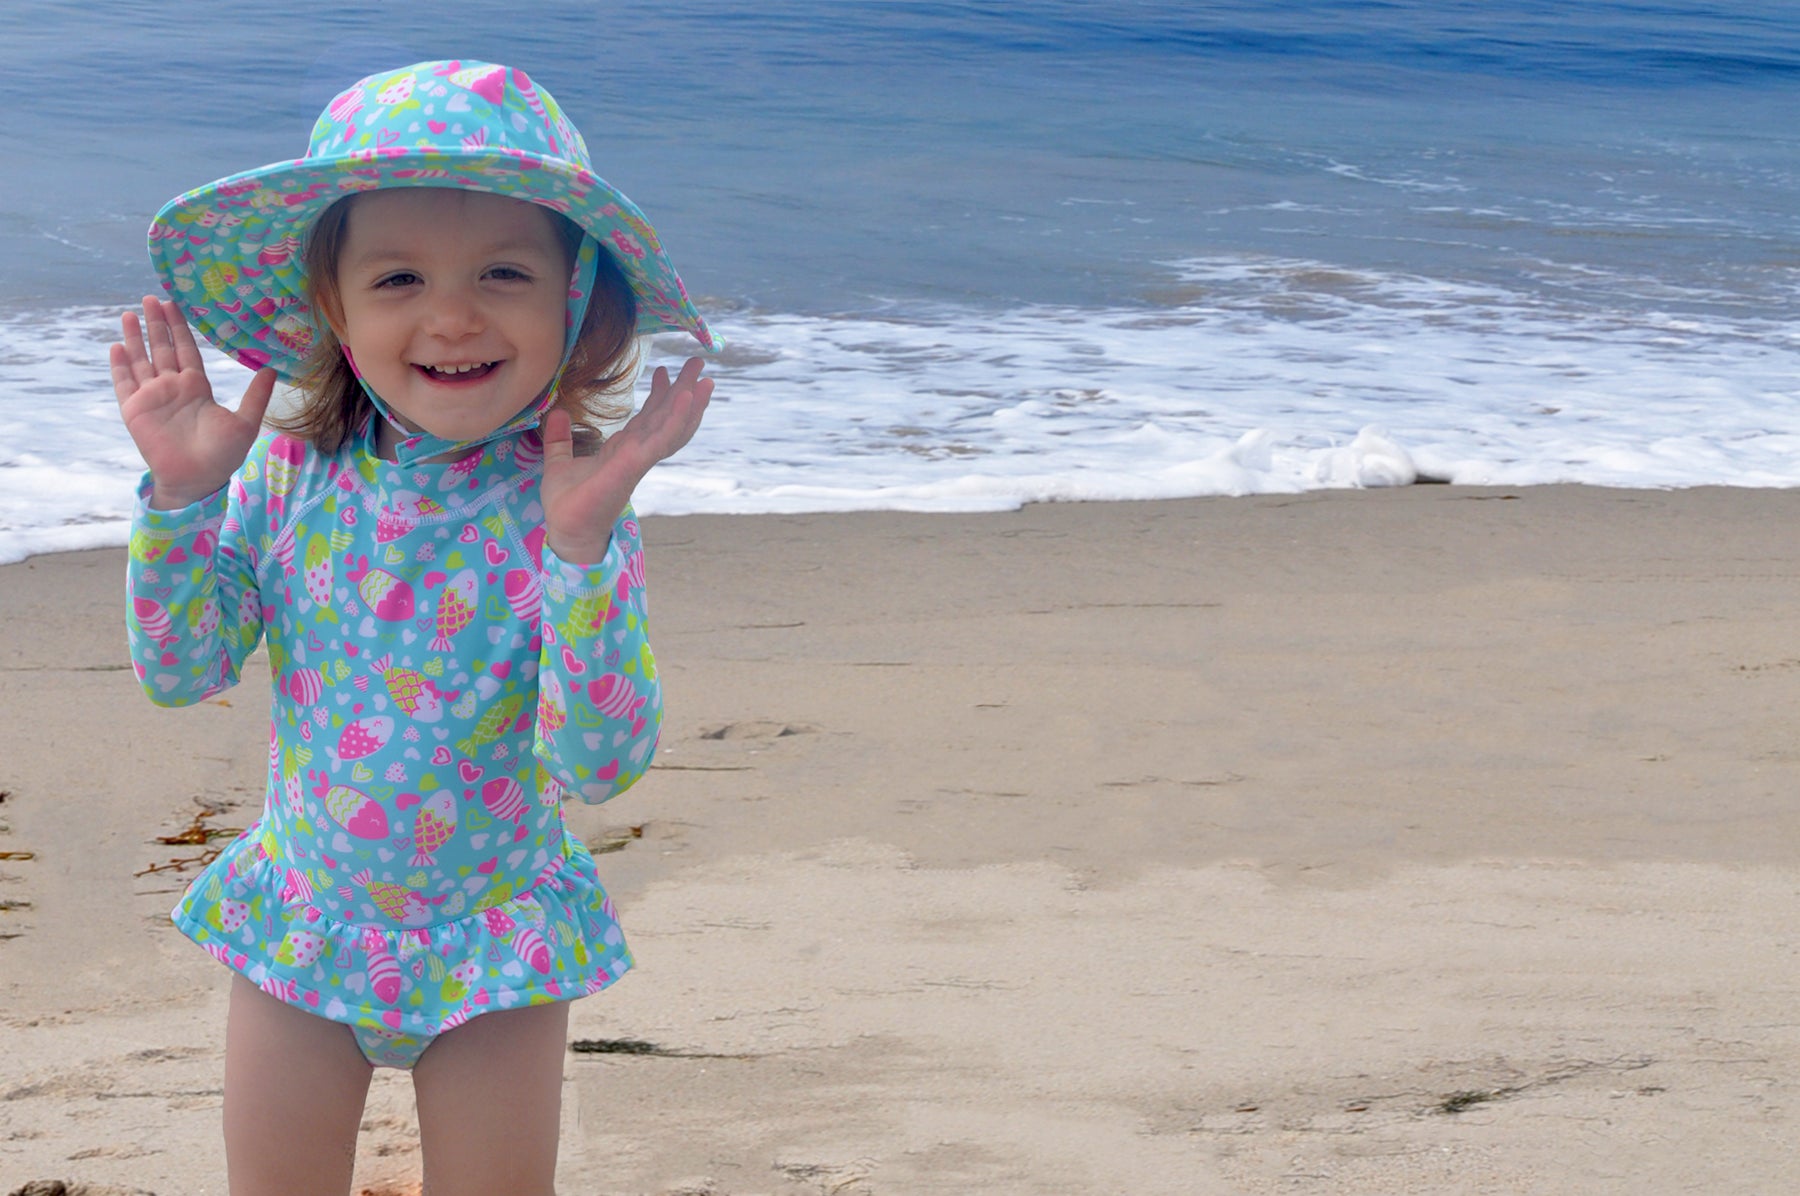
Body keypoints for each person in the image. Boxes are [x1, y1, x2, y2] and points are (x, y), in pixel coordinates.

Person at [108, 60, 717, 1195]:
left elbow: (601, 763)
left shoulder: (567, 508)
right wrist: (185, 500)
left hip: (497, 943)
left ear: (576, 298)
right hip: (303, 923)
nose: (451, 315)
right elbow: (182, 670)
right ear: (331, 306)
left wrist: (580, 555)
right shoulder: (293, 473)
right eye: (397, 277)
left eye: (503, 271)